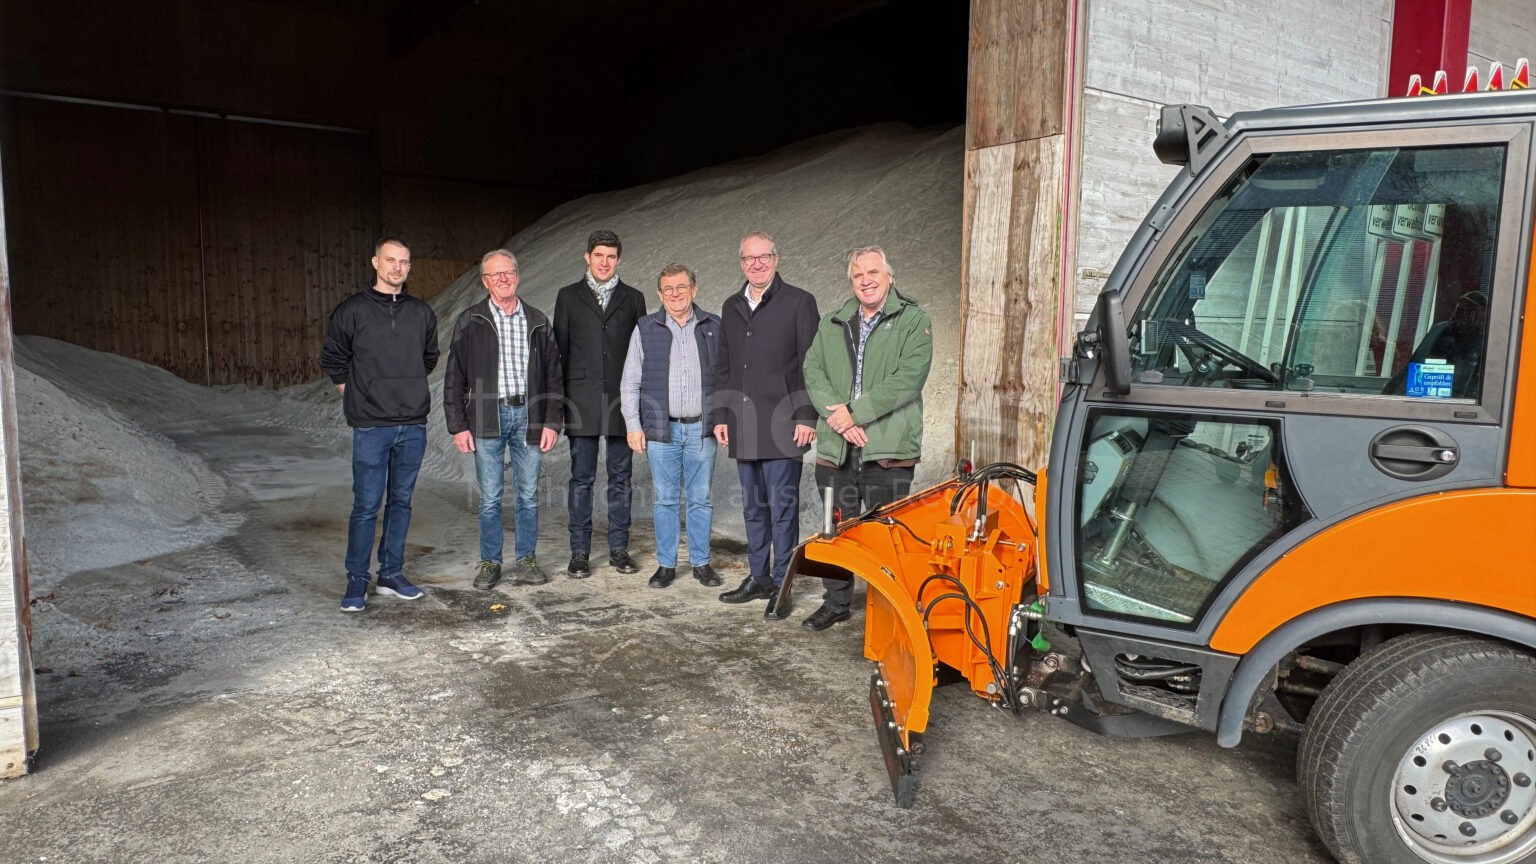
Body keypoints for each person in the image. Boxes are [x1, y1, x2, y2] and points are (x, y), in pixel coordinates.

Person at [801, 245, 932, 631]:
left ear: (889, 276)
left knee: (885, 535)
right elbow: (813, 372)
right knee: (835, 529)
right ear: (851, 281)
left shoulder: (914, 320)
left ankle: (889, 610)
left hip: (887, 449)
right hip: (835, 448)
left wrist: (854, 413)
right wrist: (841, 421)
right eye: (858, 274)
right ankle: (836, 602)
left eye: (873, 272)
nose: (866, 280)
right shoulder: (833, 322)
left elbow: (908, 379)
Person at [320, 236, 439, 613]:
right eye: (391, 260)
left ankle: (391, 574)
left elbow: (429, 357)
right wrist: (355, 390)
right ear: (375, 262)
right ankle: (357, 579)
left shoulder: (421, 312)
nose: (397, 268)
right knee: (367, 505)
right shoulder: (352, 310)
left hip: (412, 424)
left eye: (404, 262)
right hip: (371, 425)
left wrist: (406, 386)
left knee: (401, 502)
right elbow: (333, 357)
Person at [443, 249, 564, 589]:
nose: (504, 278)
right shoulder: (471, 321)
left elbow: (554, 377)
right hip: (486, 416)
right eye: (496, 275)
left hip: (530, 414)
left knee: (527, 494)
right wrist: (458, 425)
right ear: (485, 281)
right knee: (491, 496)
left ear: (517, 275)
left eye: (508, 271)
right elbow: (455, 378)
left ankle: (526, 559)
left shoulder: (538, 320)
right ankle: (490, 562)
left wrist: (552, 422)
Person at [712, 231, 818, 618]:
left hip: (785, 424)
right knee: (754, 508)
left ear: (776, 259)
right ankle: (758, 578)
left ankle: (781, 584)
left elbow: (812, 365)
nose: (757, 264)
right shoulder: (731, 305)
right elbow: (723, 365)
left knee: (782, 509)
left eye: (764, 257)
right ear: (741, 263)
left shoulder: (800, 302)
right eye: (749, 258)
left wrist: (807, 415)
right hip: (743, 421)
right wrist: (721, 416)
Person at [620, 264, 723, 589]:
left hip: (701, 430)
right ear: (659, 294)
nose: (675, 294)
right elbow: (630, 382)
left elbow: (725, 379)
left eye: (681, 287)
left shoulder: (713, 327)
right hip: (661, 431)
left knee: (700, 499)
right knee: (664, 499)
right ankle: (666, 565)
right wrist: (633, 425)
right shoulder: (645, 328)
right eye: (668, 289)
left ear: (694, 289)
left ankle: (701, 563)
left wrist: (724, 419)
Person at [554, 230, 648, 578]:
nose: (604, 262)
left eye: (611, 257)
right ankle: (579, 552)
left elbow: (641, 355)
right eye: (598, 256)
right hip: (581, 401)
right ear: (587, 258)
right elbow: (560, 352)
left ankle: (619, 549)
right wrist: (560, 405)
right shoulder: (567, 297)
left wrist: (639, 406)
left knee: (621, 477)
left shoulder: (634, 298)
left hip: (623, 403)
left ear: (618, 260)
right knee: (581, 478)